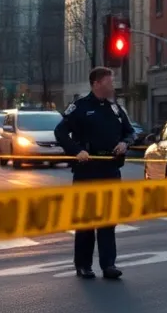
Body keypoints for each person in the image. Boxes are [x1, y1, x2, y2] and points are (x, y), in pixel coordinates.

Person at [54, 66, 137, 280]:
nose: (113, 85)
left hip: (109, 169)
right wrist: (76, 151)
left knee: (108, 220)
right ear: (97, 83)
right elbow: (60, 132)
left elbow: (130, 132)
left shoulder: (115, 109)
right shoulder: (80, 107)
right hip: (87, 170)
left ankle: (108, 264)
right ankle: (83, 265)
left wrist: (124, 143)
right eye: (109, 82)